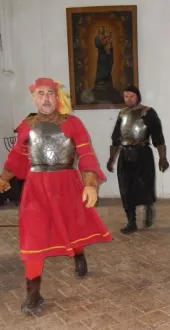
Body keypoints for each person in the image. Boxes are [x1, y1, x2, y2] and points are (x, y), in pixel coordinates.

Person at [0, 77, 111, 313]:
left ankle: (78, 254)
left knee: (72, 226)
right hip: (36, 189)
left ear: (56, 96)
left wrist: (90, 183)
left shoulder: (73, 123)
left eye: (50, 93)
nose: (46, 98)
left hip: (67, 185)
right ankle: (33, 292)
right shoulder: (26, 126)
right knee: (33, 235)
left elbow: (87, 155)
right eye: (40, 93)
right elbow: (16, 158)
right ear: (33, 97)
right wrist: (3, 179)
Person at [107, 85, 169, 234]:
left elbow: (158, 137)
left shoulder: (148, 113)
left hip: (143, 154)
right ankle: (131, 221)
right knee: (126, 188)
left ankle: (148, 207)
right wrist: (111, 159)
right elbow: (116, 138)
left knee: (144, 186)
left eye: (132, 96)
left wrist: (163, 158)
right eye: (126, 96)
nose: (129, 99)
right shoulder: (122, 114)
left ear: (138, 97)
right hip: (125, 155)